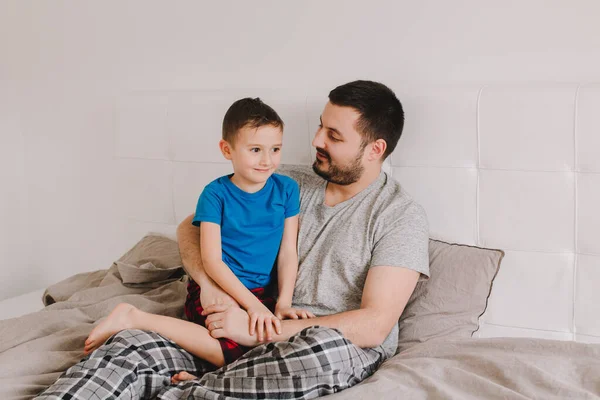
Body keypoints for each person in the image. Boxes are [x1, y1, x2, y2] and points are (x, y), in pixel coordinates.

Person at [36, 80, 429, 399]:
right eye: (319, 126)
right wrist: (210, 286)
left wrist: (261, 330)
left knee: (323, 355)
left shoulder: (398, 215)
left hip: (310, 344)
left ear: (375, 148)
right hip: (240, 318)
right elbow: (190, 228)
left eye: (333, 135)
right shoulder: (283, 180)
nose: (316, 141)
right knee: (130, 344)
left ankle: (191, 390)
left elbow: (375, 326)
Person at [82, 97, 314, 368]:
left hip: (263, 291)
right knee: (232, 346)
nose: (267, 160)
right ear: (227, 150)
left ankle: (199, 370)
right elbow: (212, 261)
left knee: (276, 344)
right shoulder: (215, 195)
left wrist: (283, 303)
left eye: (275, 149)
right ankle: (134, 318)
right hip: (220, 288)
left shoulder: (286, 189)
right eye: (255, 150)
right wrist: (251, 306)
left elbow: (288, 251)